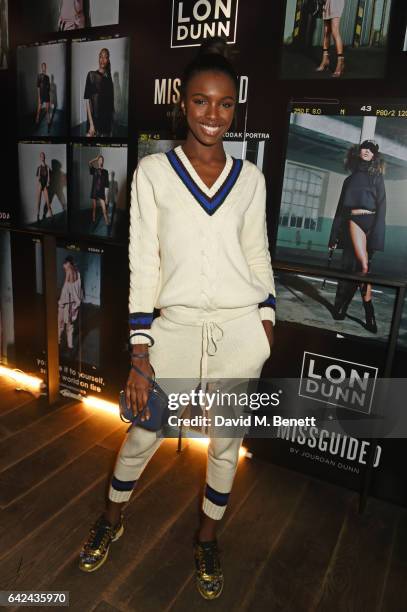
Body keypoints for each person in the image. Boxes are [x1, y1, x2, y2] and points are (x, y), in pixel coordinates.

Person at [78, 38, 276, 601]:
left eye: (224, 104)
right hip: (176, 327)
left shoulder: (251, 180)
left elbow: (258, 254)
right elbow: (144, 262)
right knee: (144, 430)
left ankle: (207, 537)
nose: (213, 115)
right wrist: (140, 352)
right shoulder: (153, 174)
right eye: (200, 102)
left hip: (241, 331)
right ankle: (112, 519)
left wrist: (266, 320)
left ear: (235, 108)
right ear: (182, 105)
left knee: (224, 441)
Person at [329, 140, 386, 333]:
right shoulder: (349, 180)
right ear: (358, 152)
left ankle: (344, 308)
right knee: (363, 266)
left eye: (371, 150)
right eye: (365, 148)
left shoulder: (377, 177)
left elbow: (382, 207)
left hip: (372, 222)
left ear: (374, 155)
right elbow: (339, 211)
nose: (367, 151)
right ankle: (369, 312)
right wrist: (333, 237)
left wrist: (378, 234)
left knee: (359, 270)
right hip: (355, 221)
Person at [84, 48, 114, 137]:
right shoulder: (91, 75)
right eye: (101, 56)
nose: (102, 59)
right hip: (94, 120)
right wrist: (91, 125)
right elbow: (87, 100)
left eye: (105, 57)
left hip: (106, 122)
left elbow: (110, 105)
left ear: (108, 60)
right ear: (98, 58)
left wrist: (111, 128)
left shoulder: (109, 79)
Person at [58, 257, 83, 351]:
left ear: (68, 264)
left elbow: (66, 290)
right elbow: (79, 290)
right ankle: (70, 345)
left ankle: (58, 341)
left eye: (65, 267)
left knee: (60, 325)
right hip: (73, 305)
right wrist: (76, 304)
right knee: (70, 326)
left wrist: (61, 303)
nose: (64, 268)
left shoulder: (69, 272)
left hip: (66, 305)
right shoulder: (78, 274)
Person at [315, 0, 345, 78]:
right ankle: (325, 60)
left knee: (335, 31)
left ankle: (340, 62)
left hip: (336, 2)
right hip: (327, 2)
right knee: (326, 32)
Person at [88, 154, 110, 226]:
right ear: (98, 161)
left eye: (101, 160)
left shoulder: (105, 172)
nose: (100, 161)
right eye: (99, 160)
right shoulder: (94, 170)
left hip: (101, 192)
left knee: (104, 208)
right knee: (94, 207)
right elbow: (89, 163)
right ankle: (93, 219)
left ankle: (106, 221)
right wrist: (95, 158)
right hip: (94, 191)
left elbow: (107, 185)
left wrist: (106, 197)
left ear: (103, 161)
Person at [36, 152, 53, 223]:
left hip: (45, 185)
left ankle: (51, 216)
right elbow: (38, 178)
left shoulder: (47, 167)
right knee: (38, 201)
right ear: (40, 158)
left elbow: (49, 178)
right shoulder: (39, 167)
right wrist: (39, 181)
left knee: (48, 202)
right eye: (41, 156)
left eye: (43, 156)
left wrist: (48, 182)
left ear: (44, 157)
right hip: (40, 184)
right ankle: (38, 215)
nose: (42, 157)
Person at [36, 63, 51, 130]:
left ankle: (48, 123)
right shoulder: (39, 76)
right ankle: (37, 119)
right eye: (43, 67)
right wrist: (39, 97)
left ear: (46, 67)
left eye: (45, 66)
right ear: (41, 68)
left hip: (47, 95)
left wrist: (49, 96)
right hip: (41, 95)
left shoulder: (47, 77)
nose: (44, 68)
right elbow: (38, 87)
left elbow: (48, 87)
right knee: (39, 110)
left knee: (47, 110)